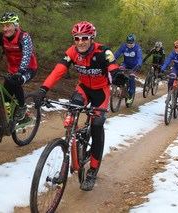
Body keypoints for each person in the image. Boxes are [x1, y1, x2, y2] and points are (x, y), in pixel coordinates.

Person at [33, 21, 120, 191]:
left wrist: (117, 75)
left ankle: (93, 171)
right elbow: (58, 70)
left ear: (91, 38)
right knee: (71, 114)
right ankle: (69, 155)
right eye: (77, 38)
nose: (80, 42)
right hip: (83, 89)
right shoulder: (72, 52)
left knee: (96, 126)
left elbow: (112, 65)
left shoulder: (103, 51)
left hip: (100, 93)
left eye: (85, 38)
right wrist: (43, 89)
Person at [114, 33, 143, 104]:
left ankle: (130, 95)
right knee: (119, 72)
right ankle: (121, 87)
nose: (129, 45)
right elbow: (117, 54)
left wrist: (139, 64)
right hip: (126, 64)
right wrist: (111, 60)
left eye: (131, 43)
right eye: (128, 43)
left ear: (134, 42)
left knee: (131, 77)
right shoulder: (123, 46)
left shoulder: (137, 48)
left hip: (135, 66)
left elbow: (140, 57)